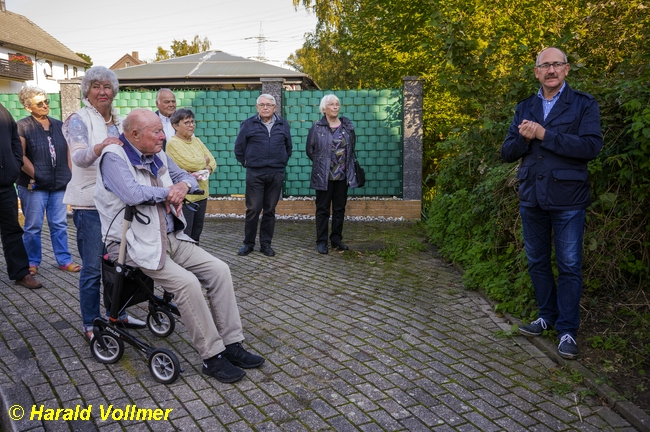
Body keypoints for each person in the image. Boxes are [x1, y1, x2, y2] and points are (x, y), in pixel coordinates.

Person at [95, 108, 264, 383]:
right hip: (132, 244)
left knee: (219, 270)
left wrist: (182, 186)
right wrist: (170, 191)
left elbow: (186, 178)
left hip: (169, 236)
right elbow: (132, 194)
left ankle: (232, 343)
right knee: (187, 284)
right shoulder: (113, 158)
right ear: (135, 134)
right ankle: (212, 357)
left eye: (162, 131)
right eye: (157, 131)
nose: (164, 135)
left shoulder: (157, 152)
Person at [500, 47, 603, 360]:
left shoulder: (584, 104)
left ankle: (568, 330)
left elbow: (590, 147)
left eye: (557, 64)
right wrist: (524, 138)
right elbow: (507, 152)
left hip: (568, 198)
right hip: (532, 196)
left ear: (567, 69)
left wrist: (544, 133)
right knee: (537, 261)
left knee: (569, 265)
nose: (551, 70)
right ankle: (547, 316)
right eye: (545, 66)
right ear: (536, 72)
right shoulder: (525, 107)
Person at [63, 66, 145, 341]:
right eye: (96, 86)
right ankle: (90, 322)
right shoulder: (78, 119)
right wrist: (102, 146)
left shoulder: (120, 121)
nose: (102, 91)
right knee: (91, 269)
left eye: (107, 86)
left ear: (114, 91)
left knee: (119, 264)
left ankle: (117, 313)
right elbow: (78, 158)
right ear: (87, 91)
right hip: (89, 205)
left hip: (117, 204)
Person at [16, 86, 79, 275]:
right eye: (39, 103)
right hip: (34, 186)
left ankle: (64, 259)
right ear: (28, 107)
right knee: (33, 226)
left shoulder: (59, 125)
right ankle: (32, 261)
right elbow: (20, 156)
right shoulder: (22, 126)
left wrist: (70, 175)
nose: (45, 105)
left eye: (46, 101)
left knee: (59, 224)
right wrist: (38, 174)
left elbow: (68, 152)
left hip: (59, 184)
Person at [234, 94, 292, 257]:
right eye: (262, 105)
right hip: (255, 173)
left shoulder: (283, 124)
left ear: (275, 107)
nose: (265, 107)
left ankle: (266, 244)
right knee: (253, 209)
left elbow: (289, 148)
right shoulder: (248, 124)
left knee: (270, 210)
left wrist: (280, 163)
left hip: (276, 173)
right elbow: (239, 148)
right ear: (257, 107)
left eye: (269, 105)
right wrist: (249, 163)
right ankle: (248, 244)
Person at [306, 94, 361, 254]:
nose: (335, 107)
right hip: (324, 176)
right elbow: (310, 151)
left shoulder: (347, 127)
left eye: (337, 104)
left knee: (339, 209)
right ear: (324, 108)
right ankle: (321, 241)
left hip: (343, 177)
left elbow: (351, 150)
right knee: (322, 209)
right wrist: (324, 164)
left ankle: (336, 239)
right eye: (331, 104)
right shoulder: (317, 127)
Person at [0, 102, 43, 289]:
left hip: (4, 185)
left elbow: (14, 140)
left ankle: (21, 273)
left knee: (13, 231)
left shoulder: (2, 111)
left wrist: (14, 164)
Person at [165, 108, 216, 242]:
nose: (191, 125)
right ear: (175, 126)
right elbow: (190, 163)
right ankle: (184, 262)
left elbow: (213, 161)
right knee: (185, 234)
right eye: (187, 122)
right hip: (186, 198)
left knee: (197, 233)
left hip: (202, 194)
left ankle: (196, 260)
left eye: (192, 122)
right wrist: (204, 162)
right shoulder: (173, 143)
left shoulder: (197, 141)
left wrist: (208, 167)